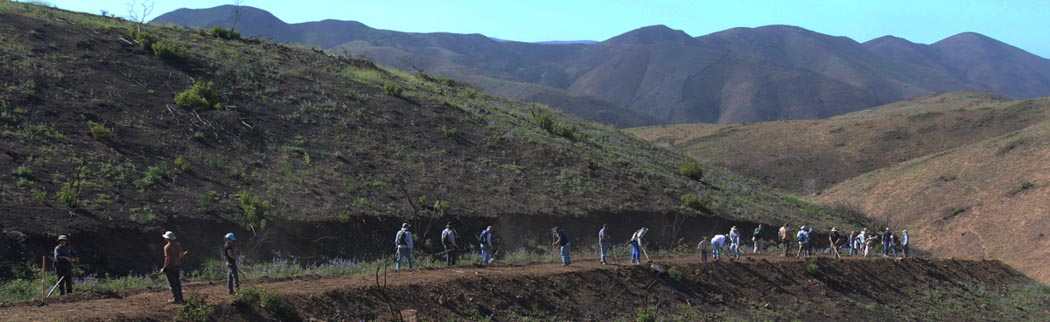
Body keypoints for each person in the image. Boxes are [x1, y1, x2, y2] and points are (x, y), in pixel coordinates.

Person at [162, 231, 187, 304]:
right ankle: (181, 298)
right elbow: (181, 254)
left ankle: (176, 299)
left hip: (170, 268)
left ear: (167, 239)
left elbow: (167, 258)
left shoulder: (167, 247)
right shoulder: (177, 245)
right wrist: (177, 258)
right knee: (178, 283)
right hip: (177, 267)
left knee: (172, 284)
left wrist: (164, 268)